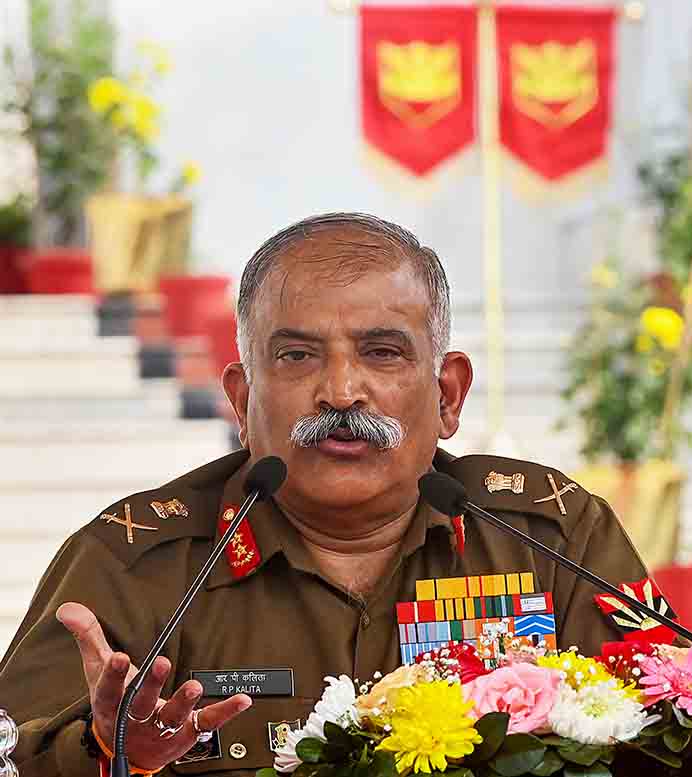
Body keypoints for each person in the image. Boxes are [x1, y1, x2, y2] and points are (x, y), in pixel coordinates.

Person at [0, 213, 651, 777]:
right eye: (296, 356)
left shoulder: (555, 540)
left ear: (448, 394)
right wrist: (105, 751)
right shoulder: (131, 564)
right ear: (242, 399)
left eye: (383, 352)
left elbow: (682, 731)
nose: (340, 391)